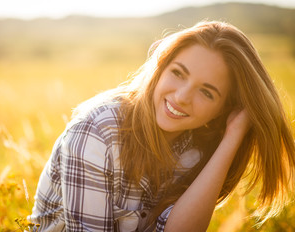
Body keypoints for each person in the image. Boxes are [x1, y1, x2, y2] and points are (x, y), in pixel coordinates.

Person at [28, 21, 295, 231]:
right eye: (177, 73)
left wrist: (232, 137)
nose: (181, 97)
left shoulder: (199, 148)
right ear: (160, 68)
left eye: (207, 92)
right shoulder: (96, 133)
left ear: (221, 111)